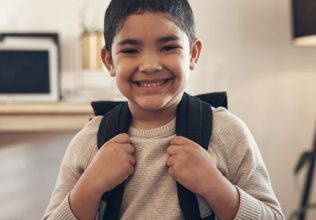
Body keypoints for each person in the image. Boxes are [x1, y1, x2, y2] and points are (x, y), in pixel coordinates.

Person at [42, 0, 284, 219]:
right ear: (109, 61)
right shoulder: (90, 141)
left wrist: (214, 184)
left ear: (193, 54)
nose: (149, 65)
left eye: (168, 47)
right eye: (130, 50)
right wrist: (90, 185)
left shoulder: (226, 132)